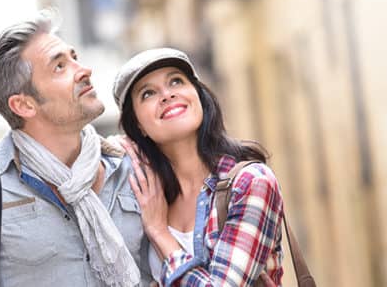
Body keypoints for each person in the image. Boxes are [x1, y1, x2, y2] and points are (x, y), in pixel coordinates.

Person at [0, 9, 152, 287]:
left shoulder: (132, 169)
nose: (83, 70)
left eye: (74, 58)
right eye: (59, 67)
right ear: (24, 105)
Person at [112, 48, 285, 286]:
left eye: (176, 81)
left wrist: (160, 232)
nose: (166, 95)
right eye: (148, 93)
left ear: (198, 97)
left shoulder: (251, 182)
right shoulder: (143, 196)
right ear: (138, 125)